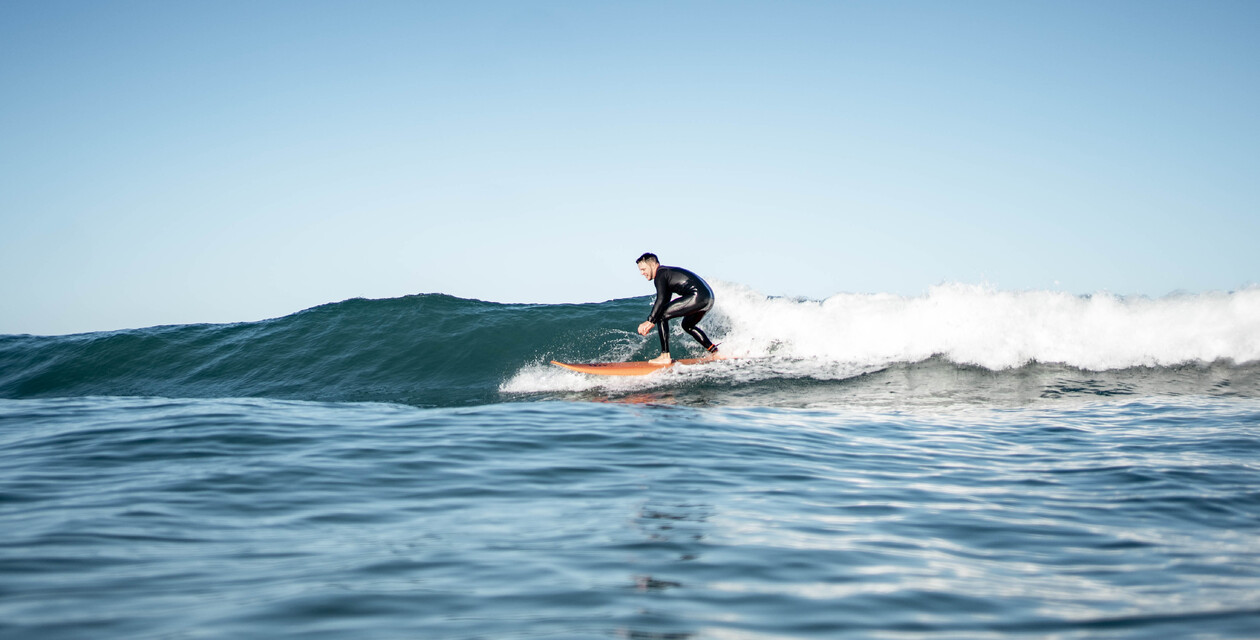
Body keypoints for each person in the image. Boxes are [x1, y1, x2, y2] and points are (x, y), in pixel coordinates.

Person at [635, 253, 719, 364]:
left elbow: (660, 300)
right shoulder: (667, 274)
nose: (642, 273)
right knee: (687, 325)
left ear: (652, 265)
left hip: (697, 296)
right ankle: (715, 351)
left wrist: (650, 321)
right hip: (708, 298)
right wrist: (652, 319)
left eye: (643, 269)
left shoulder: (660, 274)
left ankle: (665, 356)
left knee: (661, 315)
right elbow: (665, 300)